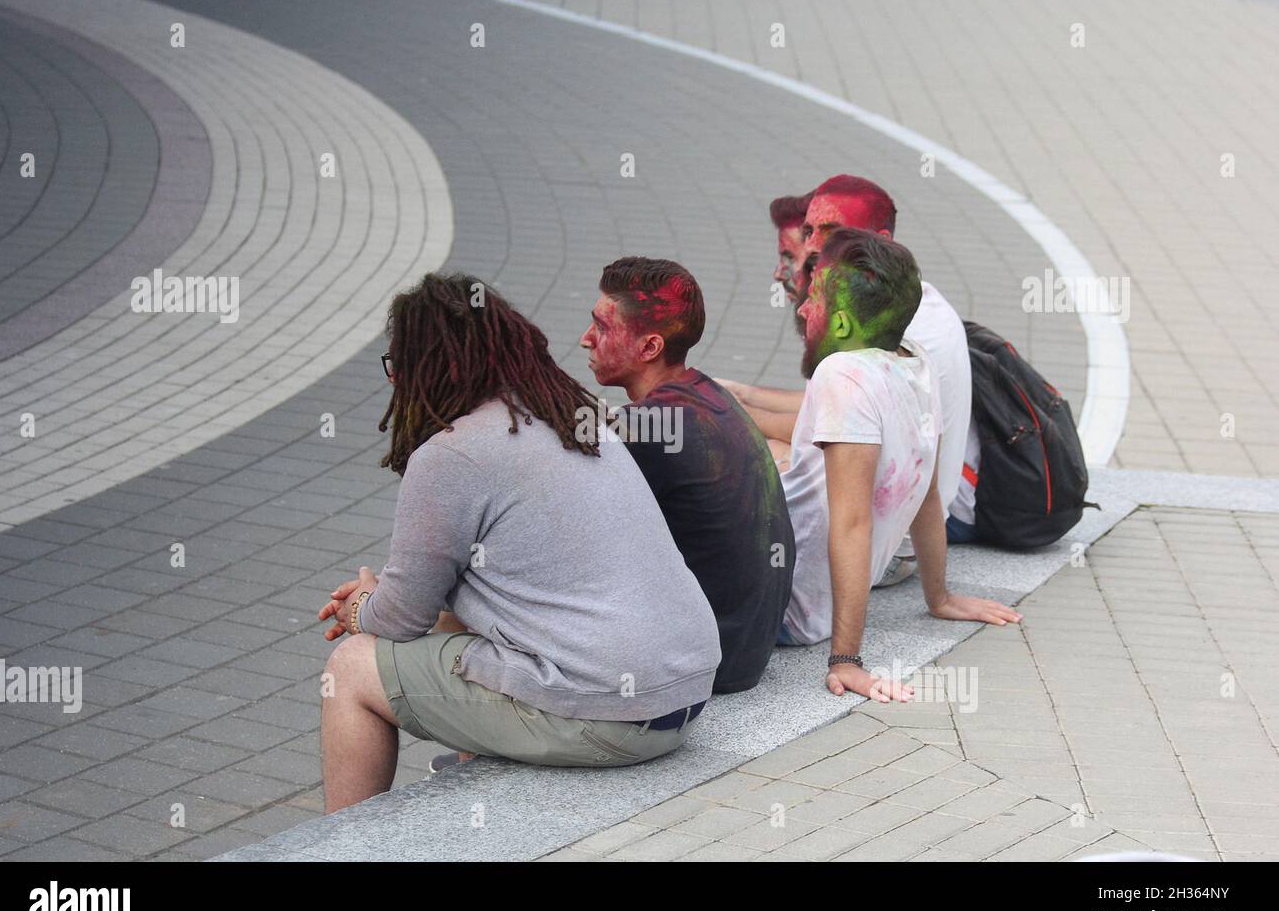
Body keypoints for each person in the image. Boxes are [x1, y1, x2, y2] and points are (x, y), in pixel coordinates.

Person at [317, 273, 720, 812]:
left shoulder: (450, 455)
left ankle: (342, 848)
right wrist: (385, 600)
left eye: (398, 366)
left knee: (350, 668)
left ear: (429, 369)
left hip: (611, 718)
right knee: (466, 618)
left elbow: (399, 620)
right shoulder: (573, 418)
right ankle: (474, 771)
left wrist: (361, 604)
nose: (395, 382)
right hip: (682, 694)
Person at [777, 228, 1020, 701]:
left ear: (843, 325)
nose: (803, 308)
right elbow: (926, 495)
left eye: (813, 299)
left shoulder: (841, 375)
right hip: (816, 608)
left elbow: (852, 524)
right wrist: (940, 597)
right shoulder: (916, 361)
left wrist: (846, 660)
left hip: (789, 611)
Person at [723, 175, 973, 560]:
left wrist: (733, 413)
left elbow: (840, 432)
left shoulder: (878, 331)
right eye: (808, 231)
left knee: (734, 452)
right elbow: (836, 408)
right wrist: (745, 394)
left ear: (882, 240)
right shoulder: (902, 296)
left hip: (890, 547)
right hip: (904, 524)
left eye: (832, 231)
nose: (811, 249)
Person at [580, 256, 795, 693]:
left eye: (601, 327)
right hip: (746, 648)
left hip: (708, 662)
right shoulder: (707, 393)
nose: (585, 340)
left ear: (649, 348)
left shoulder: (647, 427)